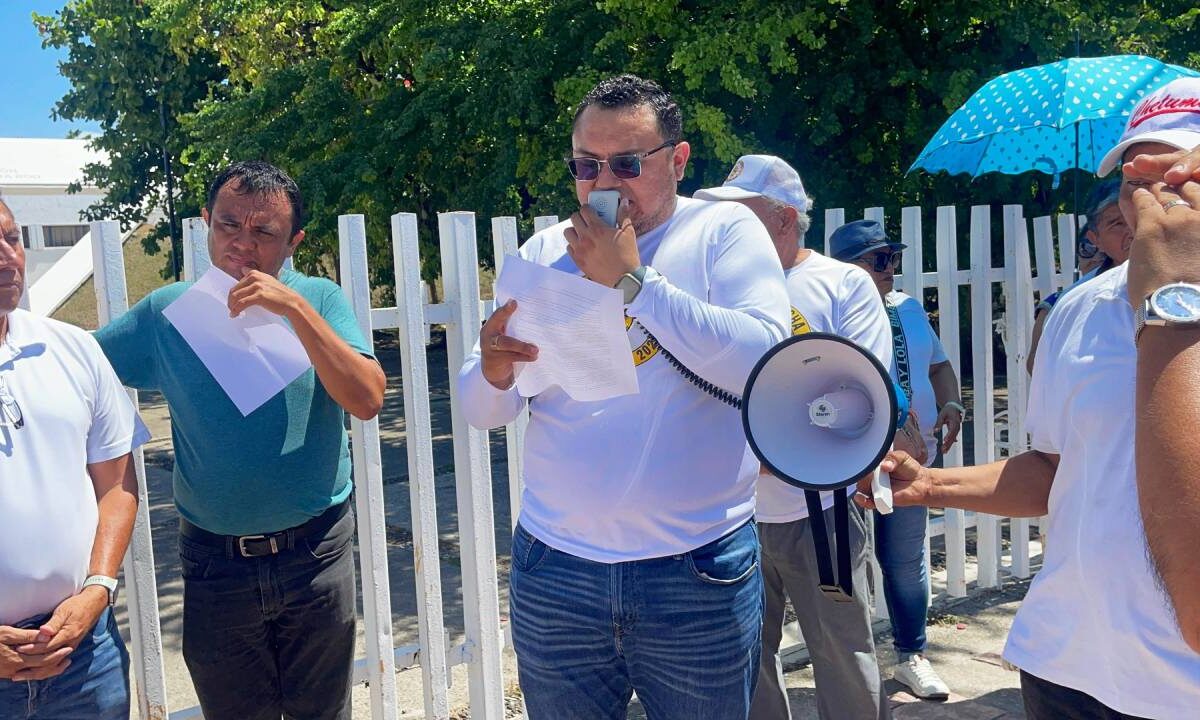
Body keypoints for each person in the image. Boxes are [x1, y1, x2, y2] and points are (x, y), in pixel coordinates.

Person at [854, 76, 1200, 720]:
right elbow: (1055, 471)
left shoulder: (1172, 306)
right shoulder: (1081, 310)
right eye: (1135, 176)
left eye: (1179, 173)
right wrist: (929, 486)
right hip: (1064, 669)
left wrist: (1176, 300)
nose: (1153, 197)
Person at [458, 75, 790, 719]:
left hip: (695, 572)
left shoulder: (723, 231)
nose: (604, 183)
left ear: (680, 159)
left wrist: (633, 281)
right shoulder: (545, 251)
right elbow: (482, 411)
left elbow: (762, 359)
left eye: (627, 163)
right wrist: (494, 372)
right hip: (557, 572)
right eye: (586, 164)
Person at [94, 161, 386, 720]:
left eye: (264, 232)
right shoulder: (169, 311)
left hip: (315, 551)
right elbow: (76, 366)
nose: (242, 245)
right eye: (229, 225)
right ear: (205, 221)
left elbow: (368, 399)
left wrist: (295, 310)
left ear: (294, 240)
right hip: (215, 559)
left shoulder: (319, 299)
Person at [695, 156, 893, 720]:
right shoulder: (717, 287)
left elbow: (868, 397)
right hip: (734, 514)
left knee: (842, 655)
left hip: (821, 514)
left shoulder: (844, 282)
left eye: (742, 214)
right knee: (744, 658)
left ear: (783, 220)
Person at [0, 199, 148, 719]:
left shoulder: (72, 350)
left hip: (85, 654)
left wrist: (97, 591)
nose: (6, 257)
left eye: (12, 239)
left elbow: (117, 485)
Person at [831, 220, 962, 700]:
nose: (890, 269)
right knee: (855, 566)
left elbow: (938, 364)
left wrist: (952, 402)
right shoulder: (828, 311)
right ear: (845, 268)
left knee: (907, 562)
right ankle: (857, 668)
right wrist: (898, 426)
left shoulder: (908, 308)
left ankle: (913, 655)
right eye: (879, 259)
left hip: (910, 462)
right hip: (856, 459)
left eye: (892, 258)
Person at [1027, 180, 1131, 373]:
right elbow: (1041, 368)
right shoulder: (1067, 304)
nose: (1132, 230)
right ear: (1095, 239)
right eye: (1117, 223)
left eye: (1137, 217)